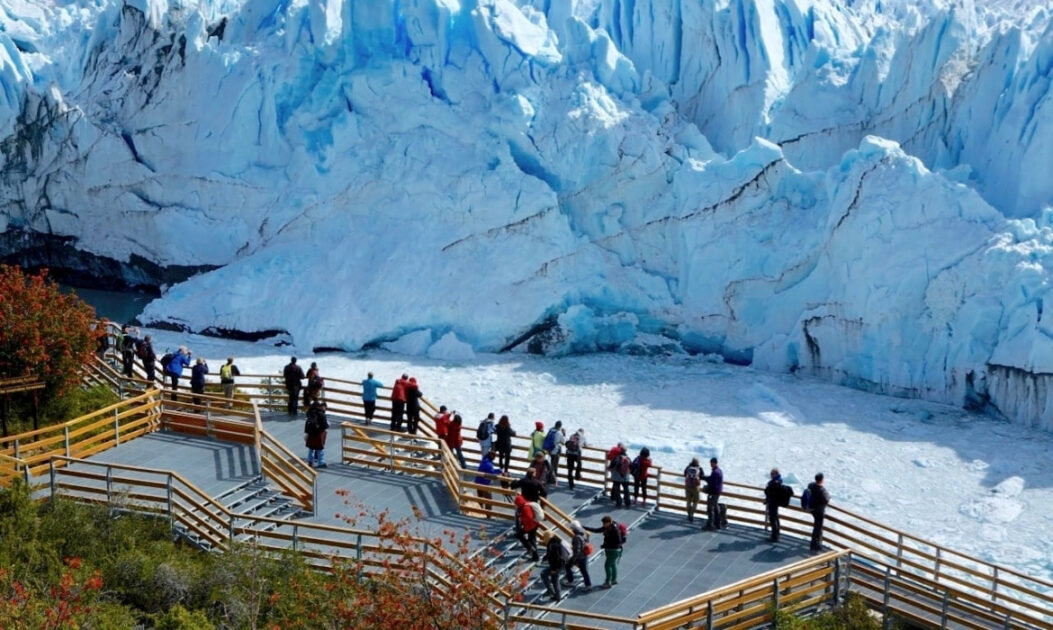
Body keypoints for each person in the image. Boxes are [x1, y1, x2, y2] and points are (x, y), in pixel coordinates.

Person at [584, 515, 623, 588]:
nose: (603, 525)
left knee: (607, 565)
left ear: (609, 522)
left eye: (604, 523)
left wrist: (606, 545)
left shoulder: (614, 530)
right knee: (613, 564)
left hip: (613, 550)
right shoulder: (609, 527)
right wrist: (584, 527)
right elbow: (596, 530)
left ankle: (607, 582)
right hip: (614, 550)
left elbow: (618, 541)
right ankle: (614, 579)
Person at [562, 520, 592, 592]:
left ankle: (571, 581)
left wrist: (573, 559)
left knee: (568, 566)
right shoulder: (583, 533)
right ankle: (588, 585)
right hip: (584, 555)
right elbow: (587, 542)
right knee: (584, 571)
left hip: (579, 557)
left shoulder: (576, 537)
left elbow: (577, 550)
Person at [474, 449, 503, 518]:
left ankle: (480, 512)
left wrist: (499, 470)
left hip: (478, 482)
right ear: (492, 456)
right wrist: (500, 471)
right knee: (489, 500)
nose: (495, 457)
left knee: (480, 498)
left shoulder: (484, 460)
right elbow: (492, 474)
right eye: (494, 456)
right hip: (484, 484)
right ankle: (488, 516)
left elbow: (491, 471)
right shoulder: (489, 464)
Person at [539, 531, 567, 601]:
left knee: (552, 579)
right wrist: (544, 558)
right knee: (553, 579)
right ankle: (554, 594)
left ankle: (554, 594)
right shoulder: (556, 542)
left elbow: (556, 557)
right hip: (560, 564)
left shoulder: (552, 545)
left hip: (556, 566)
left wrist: (554, 569)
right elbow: (549, 554)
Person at [513, 495, 540, 561]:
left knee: (520, 535)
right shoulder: (527, 504)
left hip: (529, 526)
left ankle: (531, 549)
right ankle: (535, 555)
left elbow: (528, 517)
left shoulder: (525, 508)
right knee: (532, 539)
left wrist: (521, 517)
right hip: (534, 525)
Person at [808, 473, 831, 552]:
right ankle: (815, 545)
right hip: (819, 511)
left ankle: (815, 543)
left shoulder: (811, 486)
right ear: (821, 480)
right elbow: (826, 499)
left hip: (813, 509)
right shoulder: (821, 490)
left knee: (817, 527)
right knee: (818, 528)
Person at [304, 399, 329, 468]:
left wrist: (306, 432)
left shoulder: (310, 413)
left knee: (311, 448)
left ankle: (310, 461)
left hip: (311, 433)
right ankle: (321, 462)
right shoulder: (321, 415)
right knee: (320, 448)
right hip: (319, 434)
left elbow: (307, 423)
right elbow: (325, 425)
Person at [702, 457, 724, 530]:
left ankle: (710, 524)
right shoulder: (719, 471)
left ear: (714, 463)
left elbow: (712, 482)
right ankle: (718, 523)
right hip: (718, 491)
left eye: (711, 463)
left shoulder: (715, 472)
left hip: (713, 492)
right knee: (715, 506)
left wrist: (704, 478)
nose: (710, 464)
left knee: (710, 508)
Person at [764, 468, 785, 542]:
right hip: (775, 502)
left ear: (776, 474)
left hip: (773, 502)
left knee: (773, 518)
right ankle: (776, 533)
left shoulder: (775, 482)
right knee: (775, 517)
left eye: (772, 474)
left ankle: (775, 535)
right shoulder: (778, 481)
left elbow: (770, 491)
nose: (771, 475)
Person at [683, 457, 702, 522]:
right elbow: (702, 476)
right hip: (695, 487)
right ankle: (691, 514)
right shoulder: (699, 468)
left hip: (688, 486)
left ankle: (689, 515)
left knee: (688, 501)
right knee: (696, 501)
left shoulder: (688, 467)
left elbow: (684, 474)